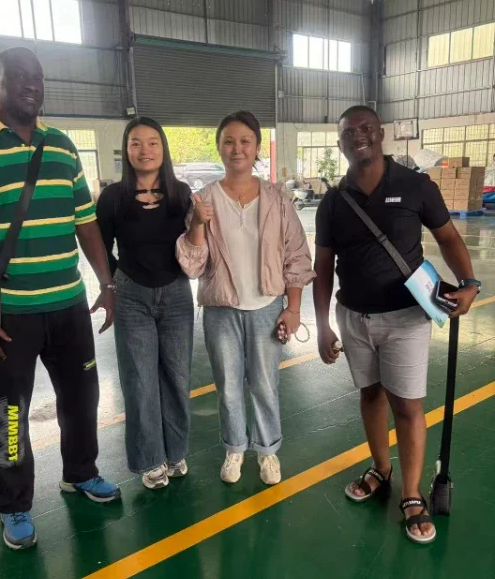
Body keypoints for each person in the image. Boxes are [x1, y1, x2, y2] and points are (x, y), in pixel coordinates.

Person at [0, 47, 121, 551]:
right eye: (18, 76)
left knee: (82, 399)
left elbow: (86, 223)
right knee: (11, 413)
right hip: (8, 314)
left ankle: (80, 472)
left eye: (37, 77)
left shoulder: (61, 146)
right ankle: (14, 505)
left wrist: (106, 285)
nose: (31, 84)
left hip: (68, 304)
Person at [313, 105, 481, 545]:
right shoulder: (333, 201)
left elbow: (448, 237)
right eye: (349, 132)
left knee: (406, 406)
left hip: (406, 317)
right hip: (353, 316)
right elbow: (323, 265)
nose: (358, 136)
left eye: (366, 128)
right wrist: (323, 324)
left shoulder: (415, 186)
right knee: (370, 395)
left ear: (381, 133)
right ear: (340, 143)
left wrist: (470, 284)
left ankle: (411, 494)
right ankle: (381, 469)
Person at [177, 111, 315, 486]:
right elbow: (192, 266)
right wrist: (197, 224)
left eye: (245, 141)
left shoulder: (277, 199)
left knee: (265, 384)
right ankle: (235, 448)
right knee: (228, 386)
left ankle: (268, 451)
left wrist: (293, 308)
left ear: (256, 148)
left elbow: (296, 256)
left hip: (267, 307)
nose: (237, 148)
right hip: (221, 311)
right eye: (229, 141)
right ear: (219, 148)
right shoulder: (204, 200)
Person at [96, 117, 193, 490]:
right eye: (136, 143)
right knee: (139, 380)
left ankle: (175, 452)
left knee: (177, 376)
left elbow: (195, 243)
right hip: (132, 295)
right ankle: (150, 459)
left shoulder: (181, 194)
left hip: (177, 294)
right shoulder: (112, 197)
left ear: (163, 148)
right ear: (126, 150)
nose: (145, 150)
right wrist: (113, 282)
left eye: (153, 142)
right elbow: (100, 246)